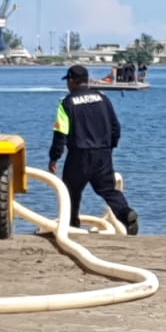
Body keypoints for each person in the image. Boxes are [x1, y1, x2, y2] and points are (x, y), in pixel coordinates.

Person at [48, 64, 141, 234]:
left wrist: (54, 158)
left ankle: (72, 226)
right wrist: (110, 147)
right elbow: (115, 127)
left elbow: (60, 133)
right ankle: (126, 214)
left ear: (72, 81)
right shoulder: (102, 98)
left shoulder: (66, 103)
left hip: (79, 154)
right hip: (103, 153)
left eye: (67, 81)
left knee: (70, 191)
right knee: (108, 190)